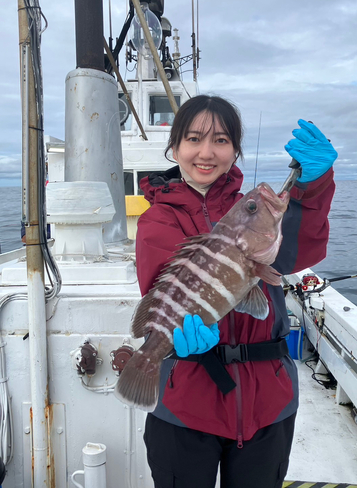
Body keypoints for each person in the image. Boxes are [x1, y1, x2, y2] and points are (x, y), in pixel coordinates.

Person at [135, 95, 337, 488]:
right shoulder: (158, 217)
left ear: (235, 150)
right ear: (174, 147)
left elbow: (298, 250)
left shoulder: (252, 209)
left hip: (268, 401)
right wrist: (174, 342)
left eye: (222, 140)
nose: (206, 152)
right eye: (194, 139)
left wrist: (312, 188)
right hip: (185, 401)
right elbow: (160, 291)